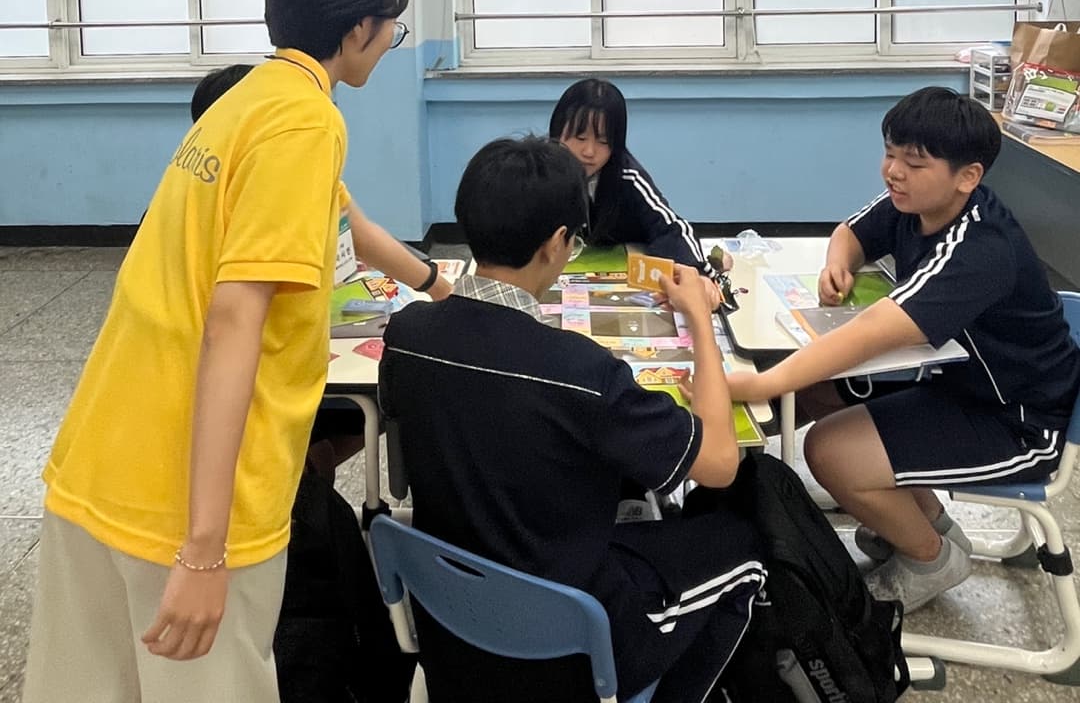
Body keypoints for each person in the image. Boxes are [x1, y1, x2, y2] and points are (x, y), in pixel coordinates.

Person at [23, 0, 408, 703]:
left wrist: (438, 284)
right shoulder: (307, 123)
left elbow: (349, 221)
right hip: (185, 501)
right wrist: (204, 549)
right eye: (391, 26)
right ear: (358, 28)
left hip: (101, 461)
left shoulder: (246, 102)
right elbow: (235, 322)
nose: (391, 39)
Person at [379, 136, 765, 703]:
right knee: (744, 548)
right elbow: (720, 465)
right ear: (558, 243)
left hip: (452, 623)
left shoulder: (407, 336)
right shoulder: (581, 373)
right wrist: (700, 322)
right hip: (568, 643)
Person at [726, 86, 1080, 614]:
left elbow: (872, 330)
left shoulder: (980, 249)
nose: (893, 172)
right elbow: (851, 232)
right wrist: (838, 264)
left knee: (829, 450)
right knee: (822, 393)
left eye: (914, 163)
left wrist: (762, 382)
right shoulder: (916, 204)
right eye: (890, 153)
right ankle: (925, 525)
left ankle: (930, 560)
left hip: (1019, 420)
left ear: (967, 177)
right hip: (955, 385)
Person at [190, 63, 452, 474]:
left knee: (373, 407)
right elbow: (230, 328)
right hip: (241, 403)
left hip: (293, 370)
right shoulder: (235, 212)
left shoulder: (286, 175)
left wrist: (436, 284)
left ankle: (315, 468)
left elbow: (357, 229)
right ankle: (312, 472)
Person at [549, 78, 731, 307]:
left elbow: (672, 228)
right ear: (557, 132)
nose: (589, 151)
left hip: (624, 272)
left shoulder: (628, 177)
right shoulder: (542, 171)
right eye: (580, 138)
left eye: (603, 141)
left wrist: (698, 273)